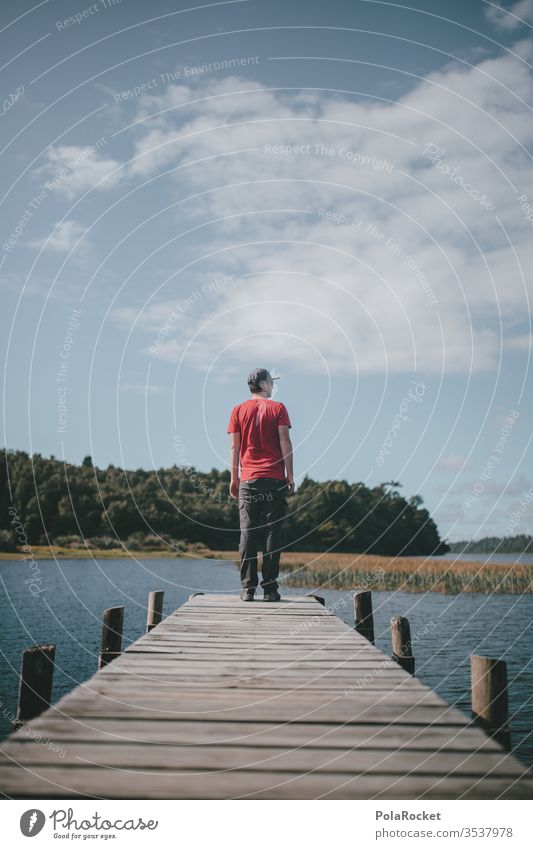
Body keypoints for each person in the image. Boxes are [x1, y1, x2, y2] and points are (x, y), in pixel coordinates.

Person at [227, 368, 294, 601]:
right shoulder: (278, 408)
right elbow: (285, 441)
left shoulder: (237, 410)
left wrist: (234, 479)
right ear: (264, 385)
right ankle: (270, 589)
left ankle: (247, 589)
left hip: (248, 481)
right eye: (270, 382)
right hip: (274, 479)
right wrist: (290, 475)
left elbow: (234, 447)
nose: (272, 386)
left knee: (247, 533)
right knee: (272, 534)